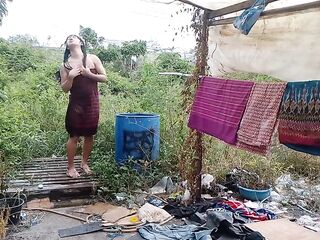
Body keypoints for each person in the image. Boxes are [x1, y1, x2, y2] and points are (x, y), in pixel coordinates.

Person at [60, 34, 107, 178]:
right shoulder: (65, 65)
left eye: (74, 37)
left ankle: (84, 163)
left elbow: (105, 78)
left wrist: (88, 74)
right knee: (73, 135)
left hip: (92, 103)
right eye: (68, 38)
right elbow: (64, 88)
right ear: (67, 46)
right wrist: (71, 76)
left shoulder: (92, 58)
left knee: (89, 134)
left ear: (81, 42)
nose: (71, 39)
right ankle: (70, 167)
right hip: (76, 104)